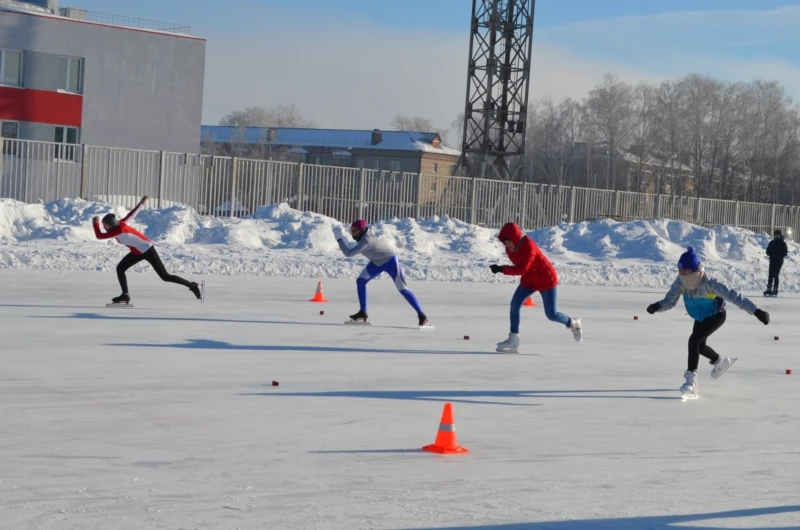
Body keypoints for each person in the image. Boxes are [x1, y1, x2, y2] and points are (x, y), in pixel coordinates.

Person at [646, 246, 770, 399]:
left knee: (694, 340)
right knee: (700, 346)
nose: (681, 273)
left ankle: (691, 381)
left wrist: (756, 311)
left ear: (694, 270)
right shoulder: (680, 282)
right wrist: (658, 306)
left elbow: (734, 296)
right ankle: (721, 361)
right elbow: (669, 301)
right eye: (680, 270)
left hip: (716, 315)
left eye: (685, 270)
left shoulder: (709, 283)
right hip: (700, 317)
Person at [489, 222, 582, 353]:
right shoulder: (509, 250)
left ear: (516, 238)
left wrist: (501, 269)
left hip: (546, 280)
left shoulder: (529, 246)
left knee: (551, 314)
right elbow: (522, 268)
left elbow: (522, 268)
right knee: (514, 305)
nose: (508, 245)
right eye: (505, 242)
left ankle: (572, 323)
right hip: (530, 280)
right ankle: (513, 340)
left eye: (510, 241)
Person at [92, 195, 202, 304]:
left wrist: (95, 223)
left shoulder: (118, 230)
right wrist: (141, 203)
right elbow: (132, 214)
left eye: (104, 225)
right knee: (120, 268)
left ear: (111, 225)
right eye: (102, 225)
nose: (103, 227)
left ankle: (192, 285)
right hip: (137, 251)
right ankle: (125, 295)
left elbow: (99, 236)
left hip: (148, 250)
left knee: (165, 276)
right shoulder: (120, 224)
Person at [333, 219, 428, 326]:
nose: (352, 233)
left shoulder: (366, 241)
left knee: (403, 289)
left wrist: (339, 239)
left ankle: (421, 315)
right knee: (360, 281)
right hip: (377, 262)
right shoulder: (366, 234)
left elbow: (349, 253)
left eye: (354, 231)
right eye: (351, 230)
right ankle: (363, 312)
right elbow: (372, 229)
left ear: (362, 230)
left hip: (390, 261)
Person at [765, 228, 789, 296]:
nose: (776, 236)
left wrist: (779, 256)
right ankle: (769, 288)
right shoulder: (772, 243)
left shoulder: (783, 243)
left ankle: (775, 288)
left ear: (780, 235)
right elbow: (767, 251)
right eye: (775, 235)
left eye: (778, 235)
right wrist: (769, 253)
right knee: (770, 274)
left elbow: (785, 252)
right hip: (772, 260)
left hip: (779, 261)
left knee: (776, 274)